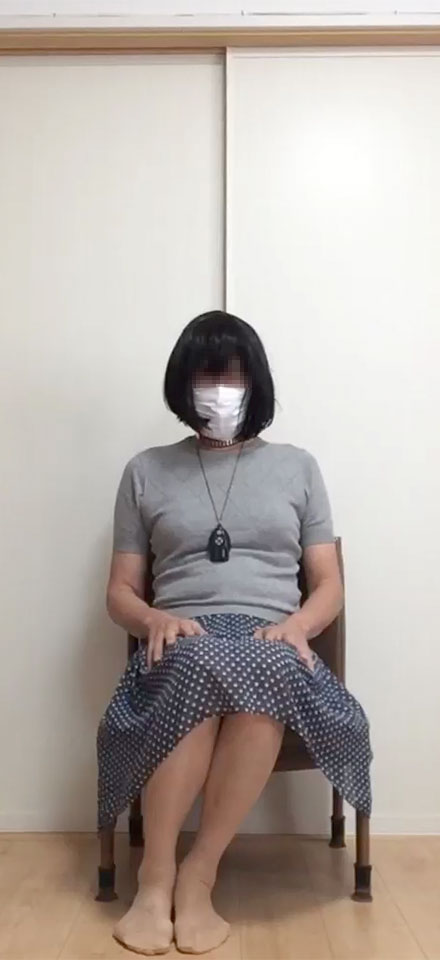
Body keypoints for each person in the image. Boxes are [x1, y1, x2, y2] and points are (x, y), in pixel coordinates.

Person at [98, 310, 372, 956]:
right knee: (196, 661)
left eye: (232, 375)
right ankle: (155, 877)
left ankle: (198, 875)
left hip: (270, 637)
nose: (219, 389)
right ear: (182, 383)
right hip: (181, 636)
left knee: (265, 668)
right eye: (205, 375)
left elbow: (327, 582)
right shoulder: (145, 470)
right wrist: (153, 618)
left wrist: (298, 625)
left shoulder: (298, 468)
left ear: (256, 383)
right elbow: (119, 592)